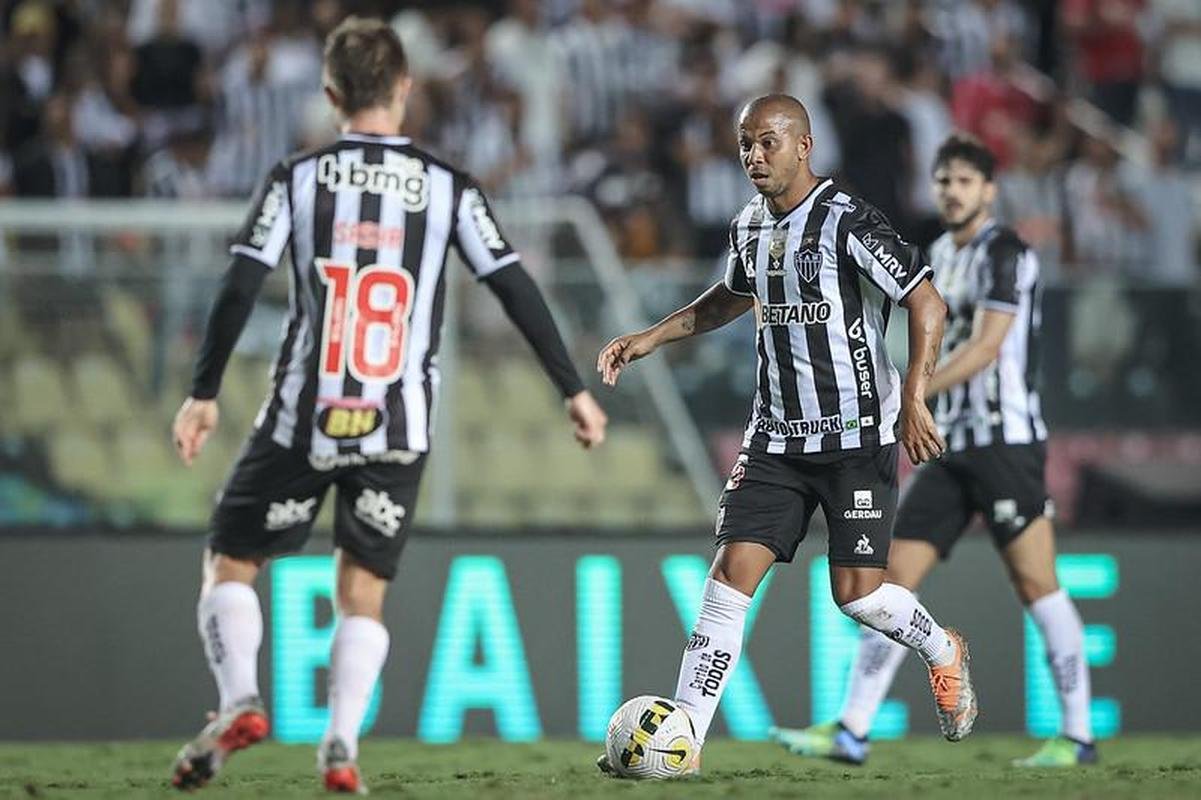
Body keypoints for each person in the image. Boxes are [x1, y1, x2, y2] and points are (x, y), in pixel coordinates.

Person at [169, 17, 607, 794]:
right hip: (397, 425)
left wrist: (203, 393)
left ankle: (238, 701)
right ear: (406, 87)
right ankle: (340, 744)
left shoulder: (297, 178)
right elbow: (512, 284)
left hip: (304, 415)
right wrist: (572, 388)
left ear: (331, 93)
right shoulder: (448, 186)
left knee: (231, 561)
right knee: (362, 590)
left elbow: (239, 284)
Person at [595, 94, 976, 774]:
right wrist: (652, 336)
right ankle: (683, 745)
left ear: (803, 146)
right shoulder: (748, 225)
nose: (753, 155)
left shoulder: (847, 220)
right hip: (774, 440)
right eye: (745, 142)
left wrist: (915, 397)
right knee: (728, 578)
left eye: (767, 141)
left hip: (856, 439)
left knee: (858, 595)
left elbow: (926, 301)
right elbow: (732, 296)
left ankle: (941, 648)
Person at [771, 134, 1096, 768]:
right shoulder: (936, 256)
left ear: (989, 190)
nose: (952, 191)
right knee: (888, 584)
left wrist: (909, 394)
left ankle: (1078, 735)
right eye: (944, 180)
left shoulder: (1007, 252)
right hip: (947, 446)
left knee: (1038, 584)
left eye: (965, 181)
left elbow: (986, 348)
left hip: (1005, 444)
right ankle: (852, 728)